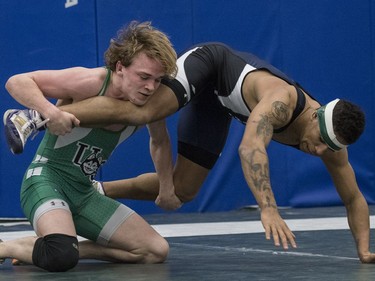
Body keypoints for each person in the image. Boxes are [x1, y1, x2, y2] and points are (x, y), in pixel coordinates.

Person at [4, 42, 375, 263]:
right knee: (146, 109)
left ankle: (97, 192)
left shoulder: (327, 140)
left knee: (183, 190)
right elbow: (250, 147)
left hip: (219, 106)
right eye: (320, 139)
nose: (319, 150)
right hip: (210, 66)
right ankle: (34, 117)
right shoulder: (282, 102)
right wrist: (268, 208)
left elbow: (354, 198)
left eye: (330, 147)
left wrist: (363, 249)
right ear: (315, 114)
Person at [0, 21, 182, 272]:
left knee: (155, 251)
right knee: (61, 256)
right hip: (45, 181)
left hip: (84, 193)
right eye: (143, 77)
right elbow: (17, 81)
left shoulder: (149, 104)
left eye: (158, 80)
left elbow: (160, 141)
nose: (150, 87)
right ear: (120, 67)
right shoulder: (93, 82)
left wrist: (166, 187)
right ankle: (6, 248)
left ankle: (40, 247)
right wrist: (51, 112)